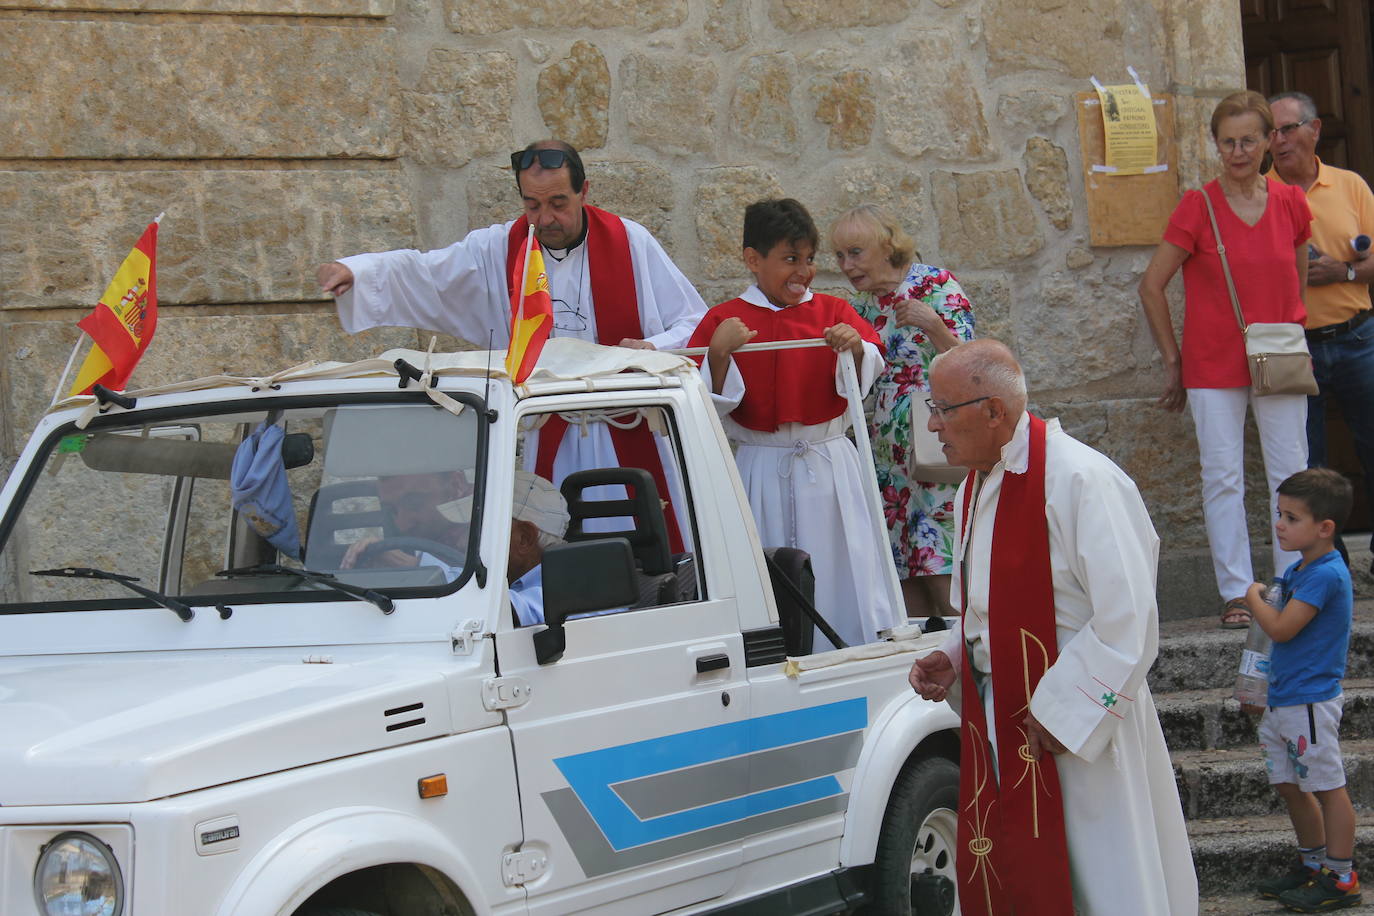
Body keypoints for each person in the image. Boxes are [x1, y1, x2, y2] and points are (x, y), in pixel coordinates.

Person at [907, 340, 1197, 915]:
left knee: (1099, 875)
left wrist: (1067, 714)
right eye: (931, 407)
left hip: (1080, 731)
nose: (933, 424)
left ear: (994, 411)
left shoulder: (1084, 480)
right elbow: (982, 605)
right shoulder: (974, 485)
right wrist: (954, 652)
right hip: (1005, 718)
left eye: (943, 408)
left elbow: (1129, 617)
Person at [317, 139, 707, 546]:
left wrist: (652, 348)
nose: (546, 218)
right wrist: (359, 271)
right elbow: (427, 272)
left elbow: (693, 323)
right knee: (555, 558)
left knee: (650, 549)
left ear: (584, 191)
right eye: (532, 205)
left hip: (626, 427)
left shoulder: (631, 242)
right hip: (549, 425)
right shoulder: (500, 248)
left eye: (559, 203)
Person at [690, 198, 903, 651]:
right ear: (753, 259)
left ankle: (849, 650)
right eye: (790, 260)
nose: (803, 272)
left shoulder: (833, 312)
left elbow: (869, 367)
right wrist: (719, 352)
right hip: (759, 468)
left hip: (827, 464)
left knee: (841, 567)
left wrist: (856, 346)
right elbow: (704, 405)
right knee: (764, 571)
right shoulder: (723, 320)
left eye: (809, 260)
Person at [1138, 90, 1314, 629]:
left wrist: (1290, 324)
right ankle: (1239, 591)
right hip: (1212, 363)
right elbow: (1152, 286)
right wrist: (1173, 360)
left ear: (1269, 141)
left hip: (1278, 356)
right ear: (1216, 145)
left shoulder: (1289, 203)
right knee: (1222, 477)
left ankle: (1290, 585)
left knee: (1293, 474)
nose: (1238, 151)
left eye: (1249, 140)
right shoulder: (1199, 205)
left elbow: (1298, 271)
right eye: (1227, 142)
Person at [829, 203, 974, 618]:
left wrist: (932, 324)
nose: (846, 265)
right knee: (902, 563)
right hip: (887, 456)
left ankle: (964, 658)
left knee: (938, 554)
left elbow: (975, 366)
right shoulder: (861, 307)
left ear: (886, 246)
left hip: (935, 443)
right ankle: (920, 667)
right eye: (839, 256)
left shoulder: (935, 285)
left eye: (855, 252)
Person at [1267, 91, 1374, 575]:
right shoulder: (1260, 194)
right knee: (1308, 463)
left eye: (1288, 128)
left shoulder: (1350, 186)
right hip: (1296, 347)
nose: (1278, 140)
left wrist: (1344, 274)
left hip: (1358, 339)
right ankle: (1330, 565)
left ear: (1315, 131)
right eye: (1271, 131)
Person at [1242, 468, 1358, 911]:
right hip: (1284, 696)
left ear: (1325, 528)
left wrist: (1252, 598)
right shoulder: (1300, 569)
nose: (1279, 524)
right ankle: (1313, 864)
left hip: (1309, 700)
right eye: (1279, 514)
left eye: (1291, 517)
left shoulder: (1326, 574)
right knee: (1291, 785)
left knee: (1328, 786)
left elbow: (1283, 629)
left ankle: (1341, 875)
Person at [339, 470, 472, 574]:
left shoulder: (488, 524)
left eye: (414, 503)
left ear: (456, 485)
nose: (402, 526)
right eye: (392, 510)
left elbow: (476, 593)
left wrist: (416, 568)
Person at [506, 470, 573, 627]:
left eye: (475, 530)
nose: (461, 541)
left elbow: (504, 610)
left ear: (524, 538)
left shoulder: (573, 585)